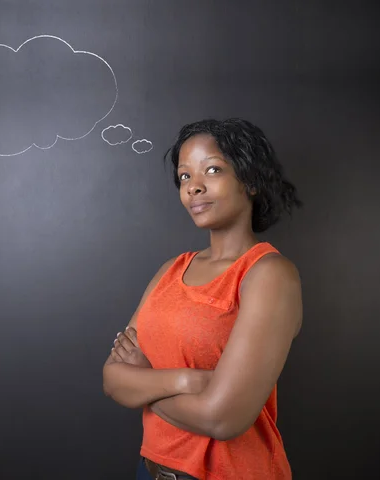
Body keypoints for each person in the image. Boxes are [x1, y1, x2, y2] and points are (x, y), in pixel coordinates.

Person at [102, 118, 303, 480]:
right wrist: (188, 381)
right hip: (149, 471)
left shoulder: (268, 275)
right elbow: (113, 379)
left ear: (252, 181)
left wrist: (144, 382)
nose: (194, 187)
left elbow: (222, 418)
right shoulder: (170, 270)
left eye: (212, 170)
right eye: (184, 177)